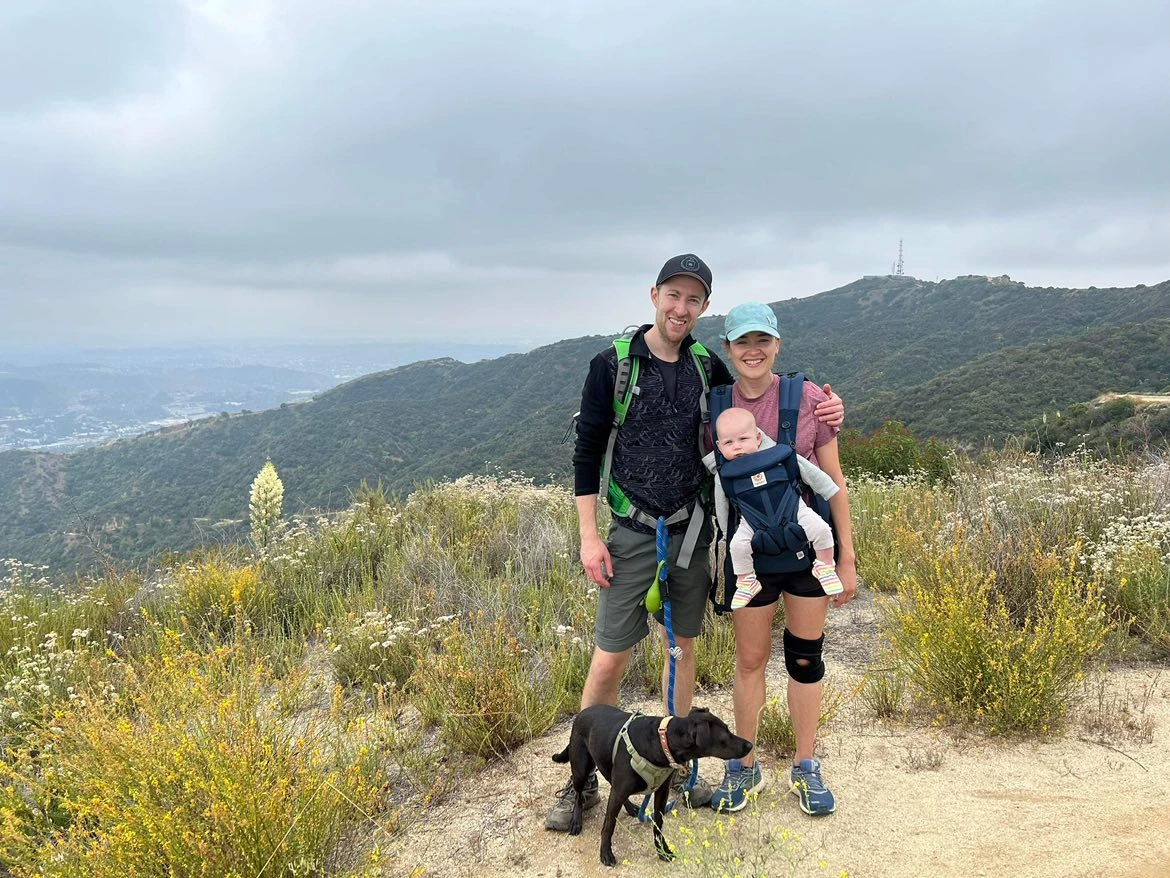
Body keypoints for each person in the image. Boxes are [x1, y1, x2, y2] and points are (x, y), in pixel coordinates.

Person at [545, 255, 844, 831]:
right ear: (654, 294)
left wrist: (827, 409)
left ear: (704, 308)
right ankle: (577, 781)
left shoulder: (708, 368)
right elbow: (586, 454)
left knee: (682, 650)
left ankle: (675, 772)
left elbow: (761, 392)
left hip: (693, 531)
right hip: (631, 532)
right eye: (673, 296)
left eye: (693, 300)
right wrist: (589, 537)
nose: (681, 309)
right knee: (610, 656)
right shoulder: (614, 365)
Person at [707, 301, 858, 816]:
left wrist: (846, 559)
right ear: (727, 349)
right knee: (748, 660)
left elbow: (833, 485)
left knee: (803, 658)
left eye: (762, 341)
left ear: (777, 344)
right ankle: (742, 766)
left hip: (805, 553)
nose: (753, 351)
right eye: (742, 342)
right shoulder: (714, 407)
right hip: (748, 549)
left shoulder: (811, 398)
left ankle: (806, 764)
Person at [709, 407, 842, 609]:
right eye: (729, 443)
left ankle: (825, 567)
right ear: (719, 446)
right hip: (751, 520)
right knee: (737, 547)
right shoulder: (725, 474)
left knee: (821, 529)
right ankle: (746, 581)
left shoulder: (779, 457)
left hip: (795, 511)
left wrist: (828, 489)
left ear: (758, 437)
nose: (737, 447)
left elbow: (809, 472)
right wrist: (727, 533)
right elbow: (722, 505)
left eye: (743, 439)